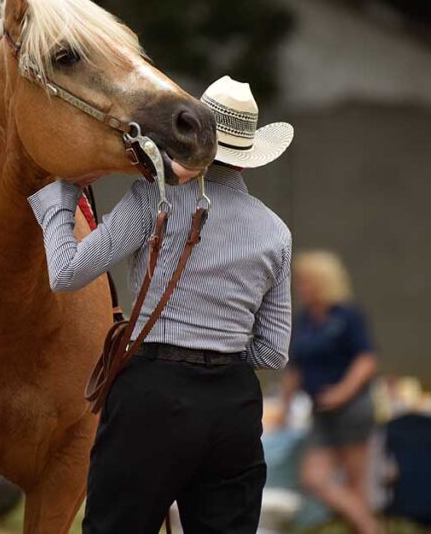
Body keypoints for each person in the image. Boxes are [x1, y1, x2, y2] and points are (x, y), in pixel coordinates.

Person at [28, 76, 294, 533]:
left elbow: (67, 272)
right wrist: (218, 356)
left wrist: (62, 194)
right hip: (234, 403)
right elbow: (273, 352)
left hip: (153, 394)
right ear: (249, 161)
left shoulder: (156, 199)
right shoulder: (276, 233)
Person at [281, 251, 381, 534]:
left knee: (355, 482)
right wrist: (286, 406)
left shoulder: (347, 315)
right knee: (314, 478)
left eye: (306, 281)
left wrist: (342, 392)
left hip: (351, 408)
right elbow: (294, 367)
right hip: (320, 412)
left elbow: (366, 360)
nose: (300, 287)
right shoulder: (304, 320)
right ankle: (372, 527)